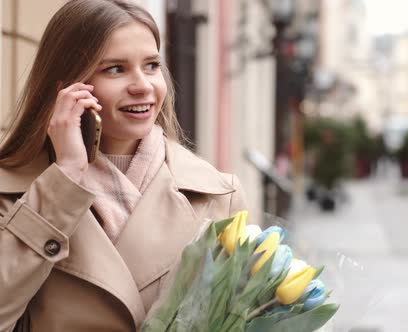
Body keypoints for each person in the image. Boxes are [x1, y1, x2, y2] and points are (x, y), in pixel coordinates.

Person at [0, 1, 247, 331]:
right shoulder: (11, 193)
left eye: (151, 65)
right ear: (67, 88)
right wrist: (66, 176)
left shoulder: (217, 195)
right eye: (114, 69)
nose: (142, 85)